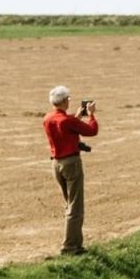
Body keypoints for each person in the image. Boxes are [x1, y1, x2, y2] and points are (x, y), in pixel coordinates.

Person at [42, 86, 99, 256]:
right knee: (76, 208)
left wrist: (77, 116)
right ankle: (70, 247)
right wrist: (91, 115)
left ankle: (76, 245)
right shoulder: (67, 121)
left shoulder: (48, 118)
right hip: (71, 163)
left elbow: (65, 127)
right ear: (65, 100)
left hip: (56, 164)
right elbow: (92, 130)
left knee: (70, 205)